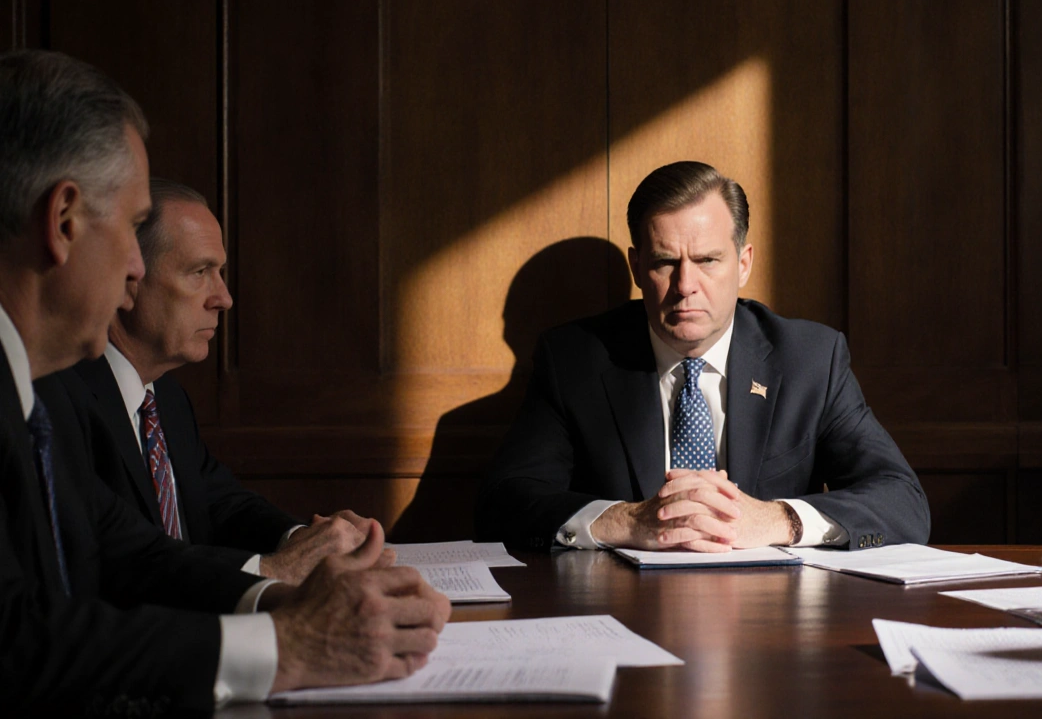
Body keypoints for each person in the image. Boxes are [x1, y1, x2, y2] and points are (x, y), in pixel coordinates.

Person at [0, 49, 450, 713]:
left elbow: (121, 552)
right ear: (64, 220)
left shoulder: (33, 392)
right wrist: (287, 646)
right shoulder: (54, 394)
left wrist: (290, 599)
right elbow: (15, 638)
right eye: (130, 227)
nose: (133, 267)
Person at [476, 161, 929, 552]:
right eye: (664, 263)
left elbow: (902, 501)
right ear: (637, 269)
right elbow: (503, 503)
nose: (685, 285)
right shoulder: (574, 359)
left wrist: (774, 520)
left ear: (744, 263)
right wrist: (628, 521)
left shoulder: (810, 360)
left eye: (708, 260)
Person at [55, 177, 369, 584]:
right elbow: (117, 562)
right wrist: (268, 571)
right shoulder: (65, 397)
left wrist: (307, 539)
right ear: (130, 277)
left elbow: (220, 502)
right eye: (200, 271)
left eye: (219, 272)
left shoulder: (165, 396)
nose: (223, 298)